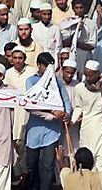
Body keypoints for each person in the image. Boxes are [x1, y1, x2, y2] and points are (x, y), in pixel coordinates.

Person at [24, 52, 73, 190]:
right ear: (38, 65)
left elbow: (66, 100)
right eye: (45, 66)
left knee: (48, 166)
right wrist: (52, 112)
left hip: (52, 130)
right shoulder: (31, 81)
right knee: (32, 164)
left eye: (50, 67)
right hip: (34, 130)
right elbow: (33, 104)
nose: (47, 70)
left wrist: (67, 114)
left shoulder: (57, 81)